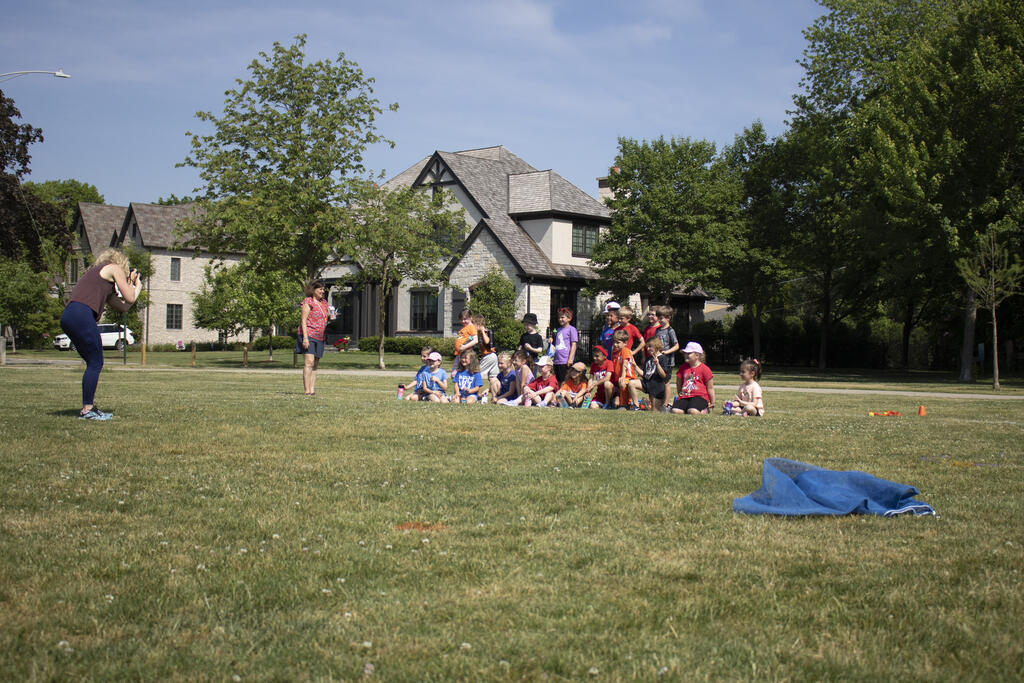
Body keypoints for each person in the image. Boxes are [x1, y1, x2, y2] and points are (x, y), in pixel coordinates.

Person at [59, 248, 142, 420]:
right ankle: (87, 410)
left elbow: (124, 307)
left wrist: (133, 287)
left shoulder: (100, 279)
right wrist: (136, 285)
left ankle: (88, 408)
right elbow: (130, 297)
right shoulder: (114, 268)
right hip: (82, 314)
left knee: (93, 362)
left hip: (69, 316)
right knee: (96, 362)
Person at [295, 280, 332, 396]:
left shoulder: (324, 303)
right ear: (313, 290)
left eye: (323, 289)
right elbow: (303, 320)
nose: (322, 291)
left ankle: (312, 389)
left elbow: (324, 318)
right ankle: (306, 390)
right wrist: (305, 338)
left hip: (320, 336)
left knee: (315, 364)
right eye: (320, 289)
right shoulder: (308, 301)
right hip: (308, 335)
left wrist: (330, 317)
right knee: (309, 362)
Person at [671, 341, 715, 415]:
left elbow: (710, 387)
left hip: (700, 397)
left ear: (697, 355)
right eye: (685, 353)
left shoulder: (705, 369)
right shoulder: (683, 368)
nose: (686, 355)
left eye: (689, 353)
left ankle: (705, 411)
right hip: (685, 396)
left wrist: (712, 401)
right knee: (675, 411)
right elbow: (678, 383)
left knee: (692, 411)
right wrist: (680, 394)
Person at [611, 329, 642, 410]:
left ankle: (625, 404)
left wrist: (623, 376)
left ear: (625, 343)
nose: (615, 344)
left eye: (618, 342)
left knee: (622, 383)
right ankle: (622, 403)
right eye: (614, 342)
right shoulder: (615, 352)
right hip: (620, 377)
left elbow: (625, 363)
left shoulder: (625, 350)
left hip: (628, 377)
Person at [473, 313, 499, 402]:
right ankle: (495, 396)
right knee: (493, 377)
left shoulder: (485, 332)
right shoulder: (479, 333)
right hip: (493, 356)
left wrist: (482, 331)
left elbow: (487, 341)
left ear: (479, 324)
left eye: (474, 325)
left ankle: (476, 394)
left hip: (488, 356)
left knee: (477, 374)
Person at [548, 307, 578, 384]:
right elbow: (554, 337)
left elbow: (574, 344)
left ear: (569, 318)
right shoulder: (557, 330)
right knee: (558, 380)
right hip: (557, 360)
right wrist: (551, 338)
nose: (560, 319)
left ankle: (564, 391)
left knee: (565, 381)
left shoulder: (572, 329)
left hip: (565, 360)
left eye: (562, 317)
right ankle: (559, 391)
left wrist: (570, 359)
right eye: (559, 318)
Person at [642, 337, 671, 412]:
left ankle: (666, 406)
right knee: (632, 383)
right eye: (647, 347)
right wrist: (634, 366)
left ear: (656, 346)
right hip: (649, 384)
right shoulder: (648, 359)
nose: (648, 349)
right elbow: (644, 374)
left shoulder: (663, 358)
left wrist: (657, 364)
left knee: (655, 410)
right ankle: (644, 405)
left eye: (650, 346)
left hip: (658, 387)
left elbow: (664, 376)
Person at [586, 345, 616, 409]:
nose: (594, 358)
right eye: (593, 356)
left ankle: (608, 403)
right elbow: (591, 378)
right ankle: (604, 404)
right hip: (600, 393)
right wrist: (588, 390)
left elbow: (607, 378)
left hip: (611, 391)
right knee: (593, 407)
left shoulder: (609, 363)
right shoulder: (593, 365)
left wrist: (594, 384)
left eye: (597, 356)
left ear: (604, 356)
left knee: (607, 384)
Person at [453, 308, 477, 373]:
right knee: (457, 371)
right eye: (461, 319)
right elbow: (469, 338)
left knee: (464, 371)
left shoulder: (471, 327)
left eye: (465, 319)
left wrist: (465, 347)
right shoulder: (464, 328)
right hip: (459, 354)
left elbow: (475, 340)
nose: (463, 321)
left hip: (466, 354)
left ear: (470, 317)